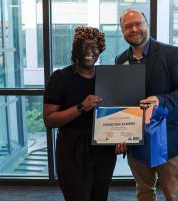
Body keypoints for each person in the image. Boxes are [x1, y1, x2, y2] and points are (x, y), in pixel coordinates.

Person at [115, 8, 178, 201]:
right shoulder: (121, 60)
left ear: (146, 25)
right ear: (122, 31)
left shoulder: (172, 54)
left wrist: (160, 100)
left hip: (169, 137)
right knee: (143, 191)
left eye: (138, 24)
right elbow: (122, 100)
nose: (134, 29)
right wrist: (120, 133)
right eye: (128, 26)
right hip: (136, 139)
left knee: (174, 193)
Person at [43, 26, 117, 201]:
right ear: (76, 49)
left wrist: (123, 136)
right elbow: (49, 120)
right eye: (84, 47)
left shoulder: (106, 77)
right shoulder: (60, 78)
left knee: (100, 196)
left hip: (103, 147)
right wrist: (81, 107)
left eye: (95, 48)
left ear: (100, 51)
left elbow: (117, 113)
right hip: (72, 148)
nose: (89, 52)